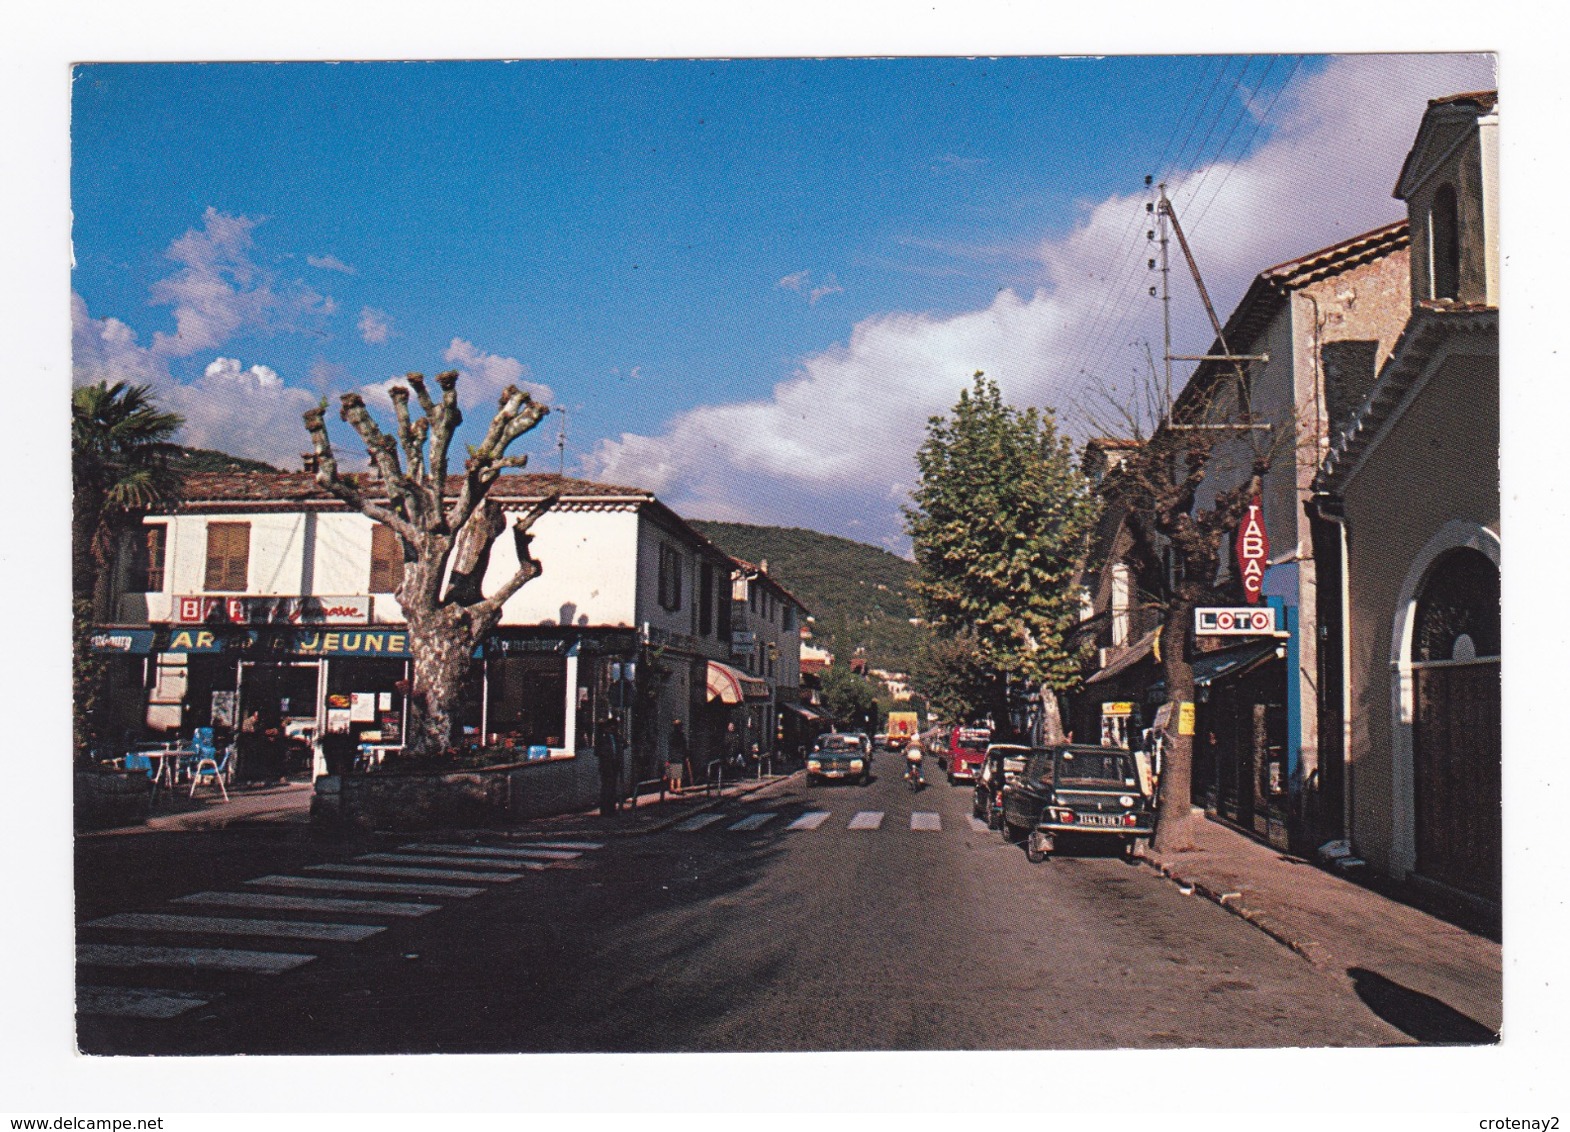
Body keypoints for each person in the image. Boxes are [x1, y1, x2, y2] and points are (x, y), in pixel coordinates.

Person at [596, 714, 621, 817]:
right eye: (612, 726)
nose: (614, 728)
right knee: (606, 788)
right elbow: (597, 751)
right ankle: (605, 811)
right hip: (606, 767)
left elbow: (623, 745)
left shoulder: (615, 737)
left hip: (614, 766)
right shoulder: (603, 737)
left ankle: (611, 810)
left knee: (612, 788)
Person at [666, 719, 688, 794]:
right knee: (678, 773)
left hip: (672, 755)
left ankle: (672, 787)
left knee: (673, 772)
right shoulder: (681, 736)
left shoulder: (671, 735)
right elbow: (684, 746)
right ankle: (678, 787)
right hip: (678, 755)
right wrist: (685, 754)